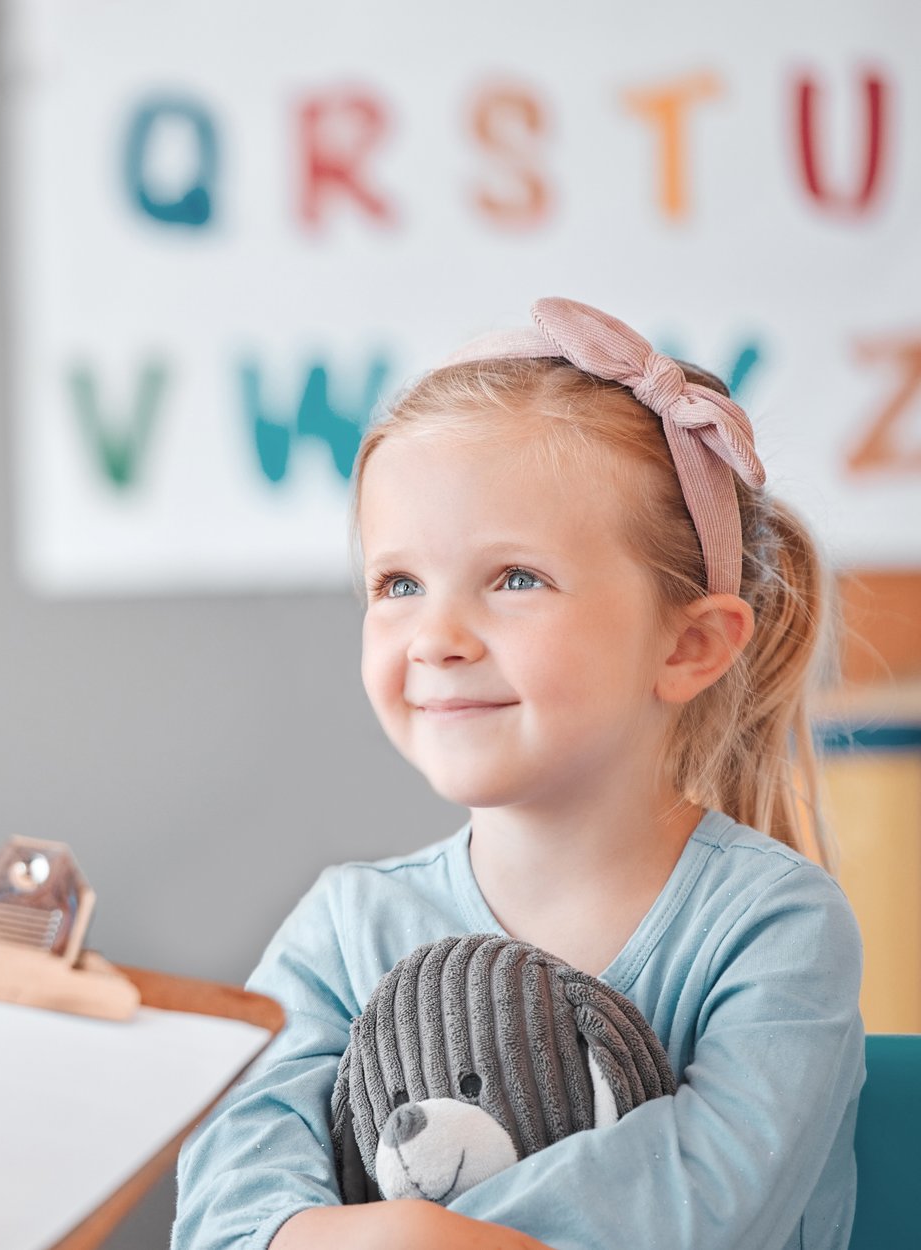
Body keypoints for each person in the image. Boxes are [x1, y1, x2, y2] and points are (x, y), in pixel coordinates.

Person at [171, 299, 865, 1250]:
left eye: (515, 579)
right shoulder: (342, 929)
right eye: (399, 585)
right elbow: (227, 1202)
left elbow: (705, 1207)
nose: (438, 639)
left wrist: (400, 1236)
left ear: (691, 645)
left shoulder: (773, 926)